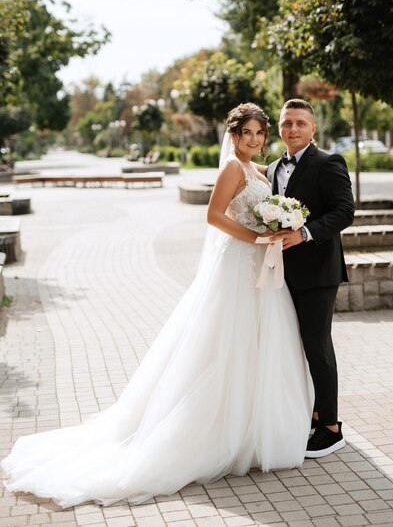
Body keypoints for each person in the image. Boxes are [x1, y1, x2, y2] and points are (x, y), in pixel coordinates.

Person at [2, 103, 313, 509]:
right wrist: (254, 237)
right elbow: (214, 216)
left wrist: (277, 227)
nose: (253, 139)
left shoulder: (258, 171)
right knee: (225, 344)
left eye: (259, 133)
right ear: (233, 136)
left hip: (261, 270)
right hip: (236, 266)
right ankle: (216, 434)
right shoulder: (232, 169)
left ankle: (255, 432)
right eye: (246, 133)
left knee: (261, 343)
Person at [266, 98, 355, 458]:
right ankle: (315, 413)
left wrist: (304, 233)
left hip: (319, 271)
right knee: (298, 346)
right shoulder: (274, 167)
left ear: (313, 128)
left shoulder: (328, 162)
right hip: (284, 273)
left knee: (317, 346)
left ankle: (331, 428)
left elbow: (344, 212)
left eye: (301, 123)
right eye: (287, 123)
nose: (293, 129)